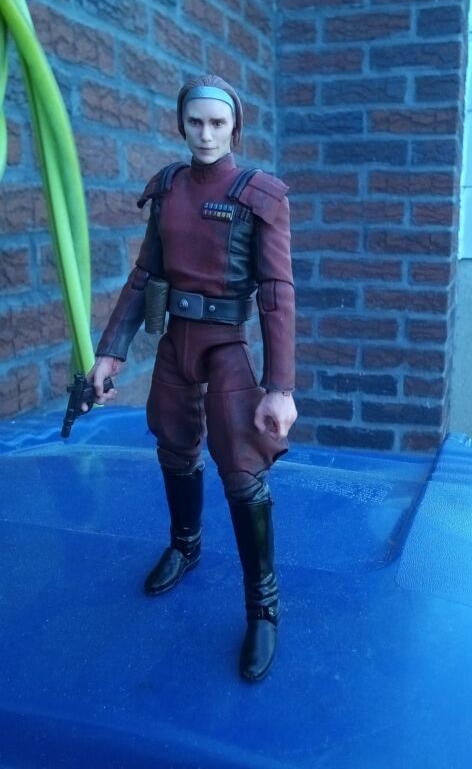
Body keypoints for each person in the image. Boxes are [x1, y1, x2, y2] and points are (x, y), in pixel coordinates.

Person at [87, 74, 296, 682]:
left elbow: (277, 293)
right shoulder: (168, 187)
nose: (206, 134)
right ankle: (185, 545)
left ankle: (263, 607)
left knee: (243, 469)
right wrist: (111, 351)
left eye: (217, 123)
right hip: (176, 340)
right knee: (174, 445)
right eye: (195, 122)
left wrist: (280, 387)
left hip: (226, 346)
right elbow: (142, 275)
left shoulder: (259, 194)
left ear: (235, 126)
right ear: (181, 123)